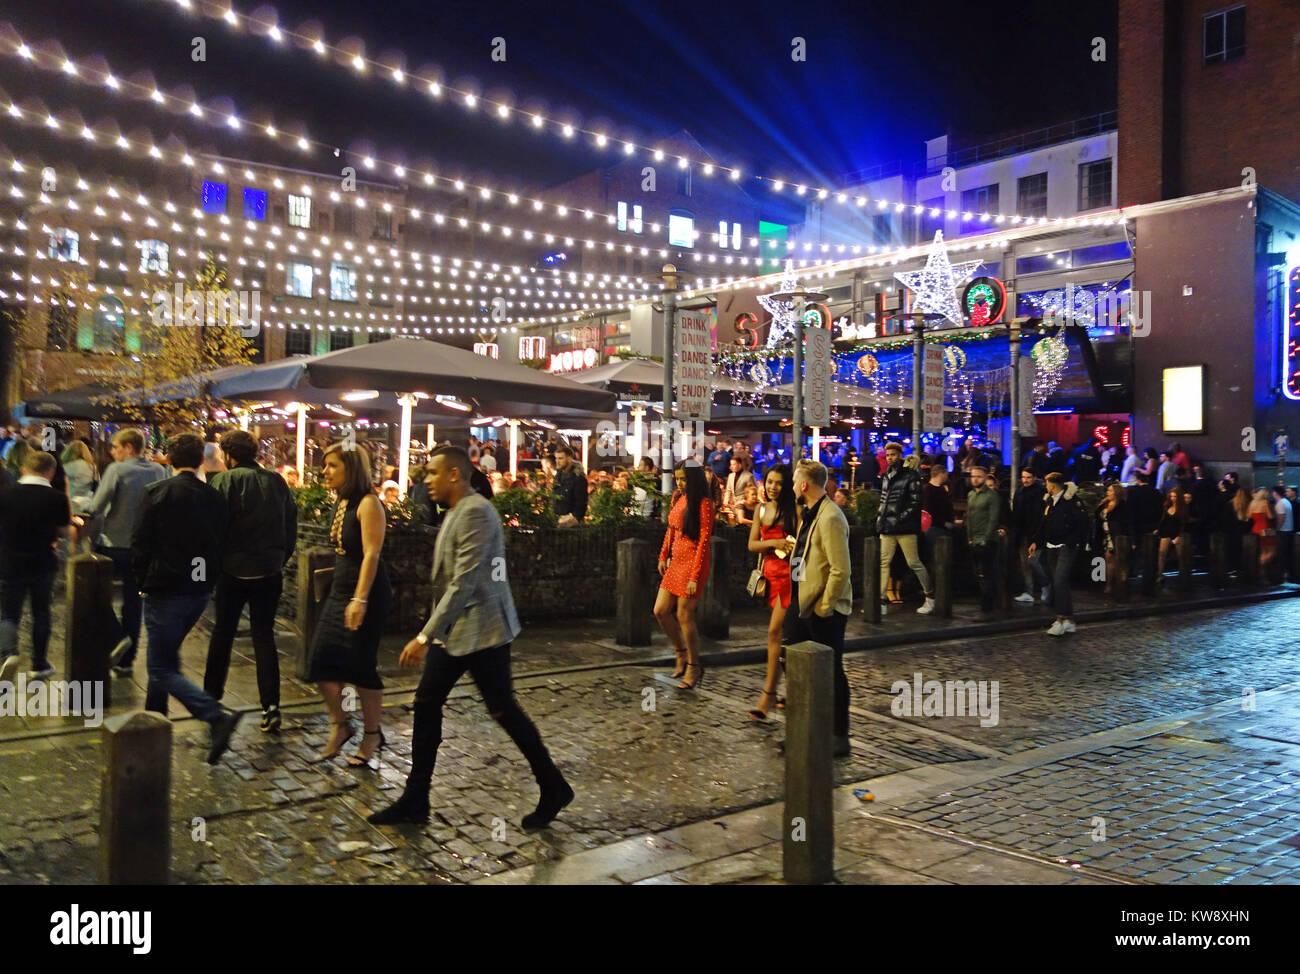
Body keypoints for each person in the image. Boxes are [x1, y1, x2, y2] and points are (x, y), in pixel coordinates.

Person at [368, 446, 573, 831]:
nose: (425, 479)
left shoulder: (477, 512)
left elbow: (465, 581)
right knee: (430, 703)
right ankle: (416, 798)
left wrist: (425, 635)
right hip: (461, 631)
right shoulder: (457, 510)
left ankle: (553, 785)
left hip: (483, 630)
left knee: (502, 709)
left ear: (454, 475)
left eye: (432, 472)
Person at [131, 433, 242, 764]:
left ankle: (215, 714)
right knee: (163, 657)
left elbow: (140, 542)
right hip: (199, 587)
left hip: (165, 587)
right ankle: (155, 718)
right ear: (200, 461)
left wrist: (141, 581)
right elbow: (221, 541)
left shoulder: (157, 493)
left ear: (169, 458)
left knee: (161, 666)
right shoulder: (215, 498)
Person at [203, 430, 298, 734]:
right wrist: (279, 559)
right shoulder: (276, 482)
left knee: (222, 635)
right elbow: (290, 526)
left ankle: (211, 698)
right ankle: (271, 706)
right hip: (268, 571)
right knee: (263, 637)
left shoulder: (221, 482)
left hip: (231, 571)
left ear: (230, 455)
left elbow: (212, 529)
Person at [307, 441, 393, 767]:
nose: (324, 471)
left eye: (332, 466)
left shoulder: (368, 502)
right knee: (322, 664)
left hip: (365, 593)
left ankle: (372, 733)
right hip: (340, 591)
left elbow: (372, 553)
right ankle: (342, 725)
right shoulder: (341, 500)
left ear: (351, 468)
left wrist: (360, 599)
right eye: (325, 465)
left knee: (360, 666)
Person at [784, 459, 853, 757]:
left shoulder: (830, 517)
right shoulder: (809, 514)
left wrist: (825, 607)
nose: (791, 486)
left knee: (831, 671)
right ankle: (802, 731)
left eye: (794, 481)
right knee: (796, 664)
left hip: (822, 608)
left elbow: (840, 570)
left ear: (804, 485)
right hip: (800, 599)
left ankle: (838, 734)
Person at [88, 428, 168, 676]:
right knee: (134, 603)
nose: (112, 451)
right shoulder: (158, 470)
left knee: (94, 595)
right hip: (145, 548)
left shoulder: (116, 470)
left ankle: (118, 636)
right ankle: (126, 662)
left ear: (129, 448)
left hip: (115, 544)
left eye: (115, 447)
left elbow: (96, 506)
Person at [0, 451, 72, 680]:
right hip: (43, 562)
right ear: (50, 473)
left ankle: (8, 653)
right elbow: (63, 531)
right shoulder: (58, 498)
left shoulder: (5, 495)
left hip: (10, 561)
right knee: (41, 612)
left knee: (9, 613)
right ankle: (39, 664)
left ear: (23, 469)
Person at [655, 460, 715, 690]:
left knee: (684, 615)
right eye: (678, 479)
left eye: (684, 479)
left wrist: (694, 576)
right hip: (676, 562)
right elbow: (671, 529)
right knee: (660, 611)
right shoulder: (677, 498)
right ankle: (680, 652)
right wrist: (663, 555)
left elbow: (703, 540)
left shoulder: (704, 503)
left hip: (693, 562)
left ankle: (694, 665)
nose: (679, 483)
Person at [746, 464, 796, 720]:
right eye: (769, 482)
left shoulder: (794, 511)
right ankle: (794, 688)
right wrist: (772, 543)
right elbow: (752, 544)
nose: (773, 487)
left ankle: (768, 695)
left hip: (790, 577)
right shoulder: (761, 509)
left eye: (778, 483)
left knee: (774, 633)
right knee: (786, 638)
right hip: (771, 577)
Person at [876, 441, 934, 615]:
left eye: (893, 455)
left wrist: (898, 519)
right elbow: (884, 500)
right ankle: (880, 602)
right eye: (887, 455)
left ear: (900, 455)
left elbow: (916, 503)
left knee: (913, 562)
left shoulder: (911, 475)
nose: (890, 458)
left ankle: (930, 596)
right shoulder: (887, 476)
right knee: (884, 563)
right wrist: (880, 519)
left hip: (905, 527)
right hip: (888, 527)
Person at [1030, 472, 1089, 636]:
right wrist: (1036, 541)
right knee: (1058, 581)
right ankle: (1068, 619)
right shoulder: (1050, 501)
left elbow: (1081, 523)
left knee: (1059, 580)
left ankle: (1060, 618)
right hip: (1051, 545)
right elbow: (1044, 522)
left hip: (1065, 546)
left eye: (1047, 484)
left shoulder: (1071, 502)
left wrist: (1073, 541)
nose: (1046, 487)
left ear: (1053, 485)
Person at [964, 466, 1004, 614]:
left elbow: (993, 519)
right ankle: (985, 603)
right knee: (978, 573)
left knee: (986, 573)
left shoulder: (992, 496)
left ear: (985, 477)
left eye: (979, 476)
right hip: (973, 539)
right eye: (973, 476)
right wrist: (969, 537)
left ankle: (987, 607)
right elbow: (969, 517)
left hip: (987, 540)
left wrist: (986, 539)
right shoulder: (970, 495)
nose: (975, 479)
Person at [1012, 468, 1051, 603]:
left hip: (1035, 533)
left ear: (1034, 478)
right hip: (1022, 532)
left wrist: (1037, 535)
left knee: (1033, 561)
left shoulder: (1039, 493)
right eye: (1023, 477)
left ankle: (1045, 586)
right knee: (1025, 563)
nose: (1025, 480)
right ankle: (1029, 590)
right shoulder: (1019, 492)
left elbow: (1040, 516)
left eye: (1028, 477)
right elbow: (1016, 513)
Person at [1096, 483, 1130, 597]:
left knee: (1117, 559)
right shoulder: (1104, 503)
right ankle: (1109, 583)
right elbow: (1098, 518)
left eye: (1110, 490)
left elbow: (1128, 523)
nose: (1108, 492)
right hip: (1105, 535)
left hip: (1117, 535)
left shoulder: (1122, 505)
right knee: (1108, 559)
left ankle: (1116, 584)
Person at [1154, 485, 1188, 584]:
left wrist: (1179, 535)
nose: (1173, 498)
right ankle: (1160, 574)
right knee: (1161, 553)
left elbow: (1184, 523)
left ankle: (1183, 575)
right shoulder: (1167, 506)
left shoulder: (1183, 508)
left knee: (1181, 555)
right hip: (1166, 532)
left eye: (1175, 496)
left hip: (1177, 533)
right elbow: (1163, 520)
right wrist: (1158, 529)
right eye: (1171, 496)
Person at [552, 444, 588, 523]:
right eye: (556, 458)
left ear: (569, 459)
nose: (557, 461)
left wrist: (572, 518)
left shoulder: (578, 479)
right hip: (557, 520)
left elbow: (581, 504)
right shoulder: (557, 476)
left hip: (570, 524)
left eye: (560, 458)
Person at [1248, 488, 1277, 571]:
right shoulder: (1265, 502)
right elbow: (1270, 516)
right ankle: (1262, 570)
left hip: (1255, 528)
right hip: (1267, 528)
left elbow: (1249, 516)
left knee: (1261, 551)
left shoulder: (1252, 503)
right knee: (1272, 551)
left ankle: (1258, 572)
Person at [723, 456, 756, 523]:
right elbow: (728, 491)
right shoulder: (730, 476)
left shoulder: (748, 476)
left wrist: (743, 501)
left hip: (743, 506)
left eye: (733, 464)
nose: (731, 466)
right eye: (731, 464)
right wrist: (725, 502)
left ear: (740, 465)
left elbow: (753, 491)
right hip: (732, 505)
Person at [1273, 485, 1294, 581]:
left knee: (1282, 553)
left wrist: (1277, 528)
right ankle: (1288, 573)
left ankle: (1281, 575)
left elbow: (1281, 517)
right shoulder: (1286, 502)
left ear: (1276, 493)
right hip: (1289, 530)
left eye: (1273, 492)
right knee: (1287, 553)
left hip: (1283, 531)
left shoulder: (1280, 503)